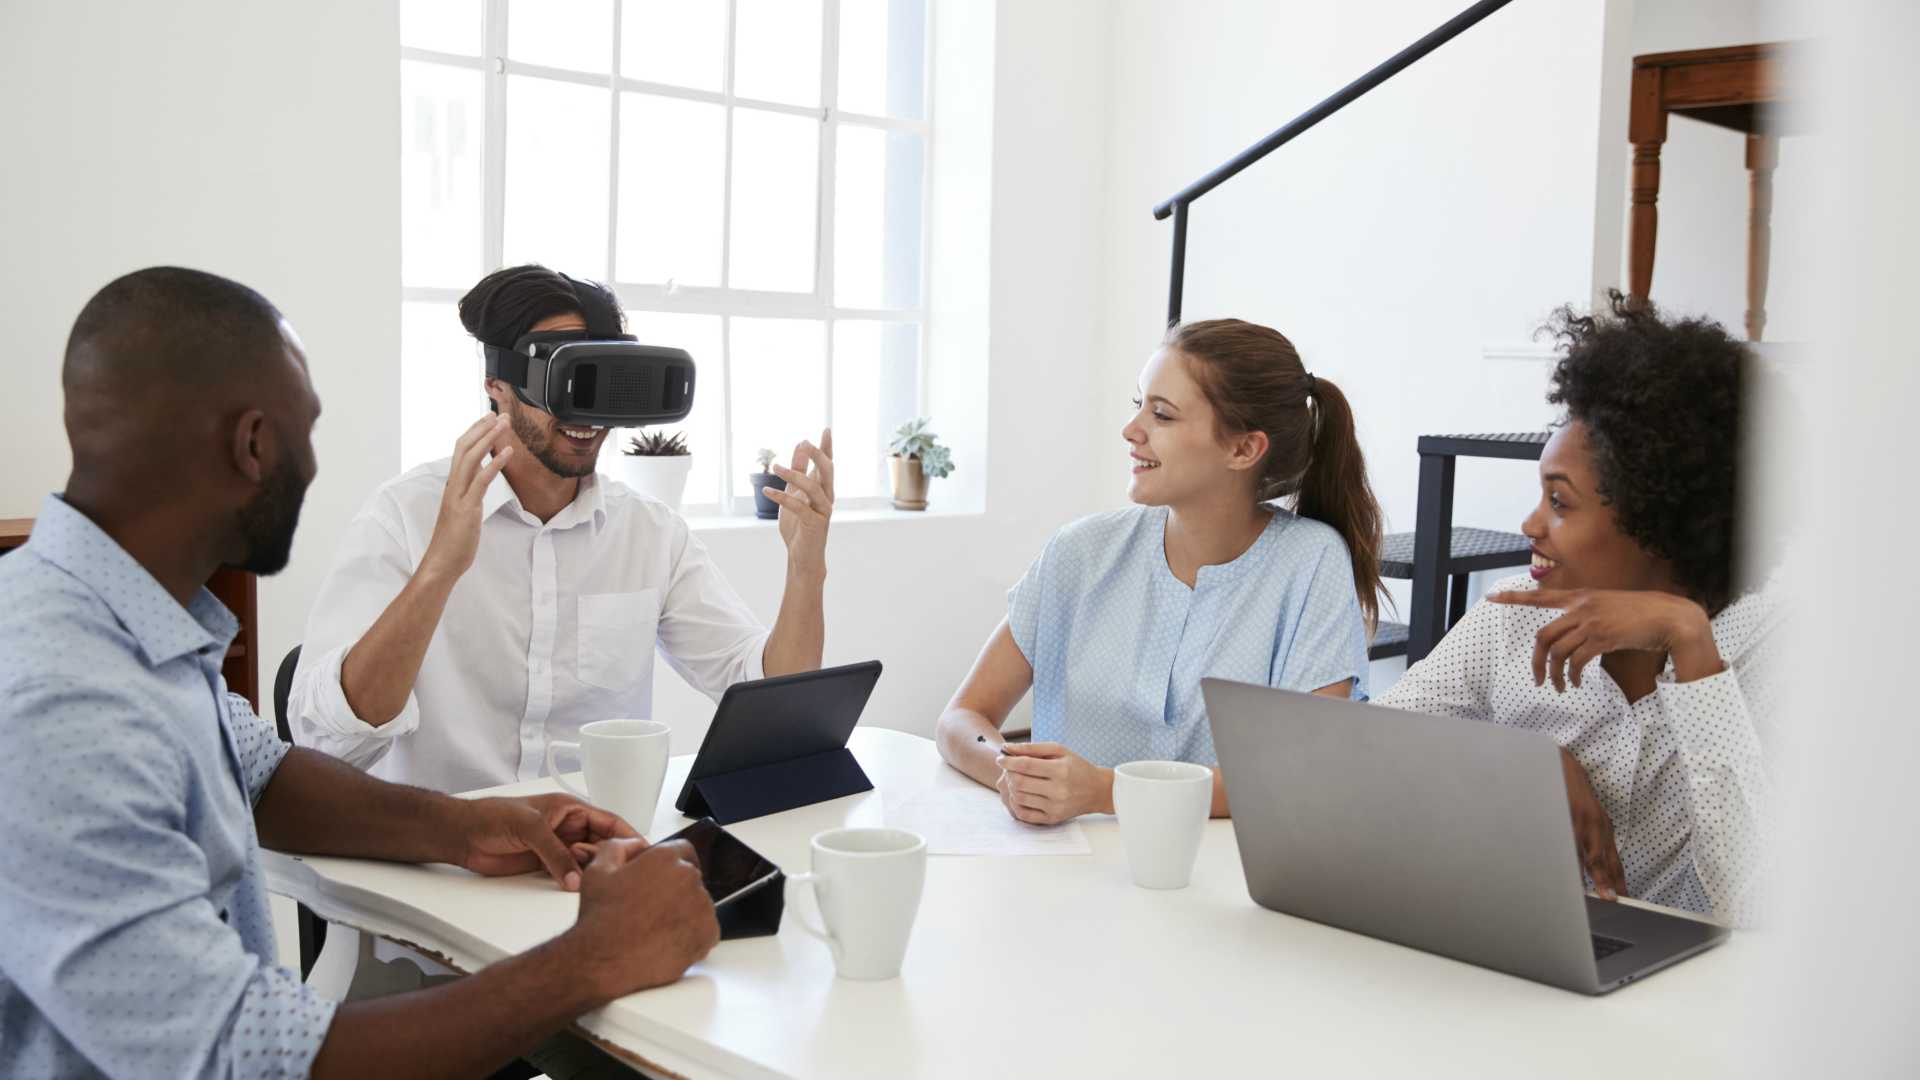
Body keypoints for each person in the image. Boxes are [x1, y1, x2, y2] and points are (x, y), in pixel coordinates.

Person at [0, 268, 720, 1078]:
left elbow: (266, 778)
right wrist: (593, 959)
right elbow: (240, 1056)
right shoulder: (58, 701)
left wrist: (477, 827)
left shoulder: (132, 625)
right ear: (252, 445)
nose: (311, 467)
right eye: (306, 432)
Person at [290, 264, 834, 793]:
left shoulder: (650, 535)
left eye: (599, 380)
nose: (586, 412)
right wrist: (439, 570)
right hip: (441, 854)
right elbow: (327, 743)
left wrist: (805, 568)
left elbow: (767, 697)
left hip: (589, 850)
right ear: (497, 385)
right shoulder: (404, 517)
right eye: (564, 376)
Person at [1377, 293, 1778, 927]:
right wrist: (1516, 761)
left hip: (1699, 994)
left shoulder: (1773, 655)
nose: (1531, 524)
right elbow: (1373, 752)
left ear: (1660, 521)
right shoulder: (1509, 619)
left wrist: (1691, 643)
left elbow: (1758, 903)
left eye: (1559, 503)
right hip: (1521, 947)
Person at [935, 318, 1385, 824]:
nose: (1132, 431)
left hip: (1219, 877)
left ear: (1243, 449)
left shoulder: (1309, 564)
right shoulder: (1081, 552)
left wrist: (1105, 790)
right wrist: (1011, 772)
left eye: (1163, 415)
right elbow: (962, 717)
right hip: (1065, 865)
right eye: (1138, 406)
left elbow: (1302, 771)